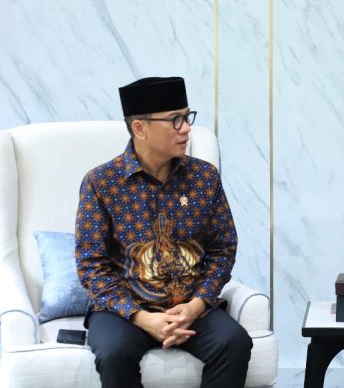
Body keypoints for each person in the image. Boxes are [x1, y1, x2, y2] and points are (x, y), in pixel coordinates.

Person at [75, 77, 252, 388]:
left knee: (233, 342)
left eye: (187, 117)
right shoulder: (101, 182)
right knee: (115, 353)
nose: (186, 128)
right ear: (140, 128)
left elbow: (223, 249)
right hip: (123, 311)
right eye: (175, 120)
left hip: (191, 306)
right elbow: (91, 265)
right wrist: (141, 317)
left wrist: (197, 304)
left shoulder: (204, 178)